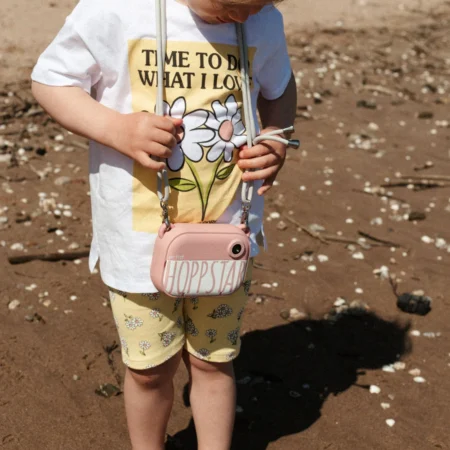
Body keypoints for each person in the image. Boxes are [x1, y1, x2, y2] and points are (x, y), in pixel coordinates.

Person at [31, 0, 296, 448]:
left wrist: (276, 136)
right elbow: (50, 80)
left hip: (228, 238)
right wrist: (116, 129)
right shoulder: (115, 8)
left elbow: (281, 88)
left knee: (214, 360)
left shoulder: (261, 20)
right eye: (230, 5)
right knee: (149, 370)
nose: (240, 18)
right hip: (138, 243)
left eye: (255, 6)